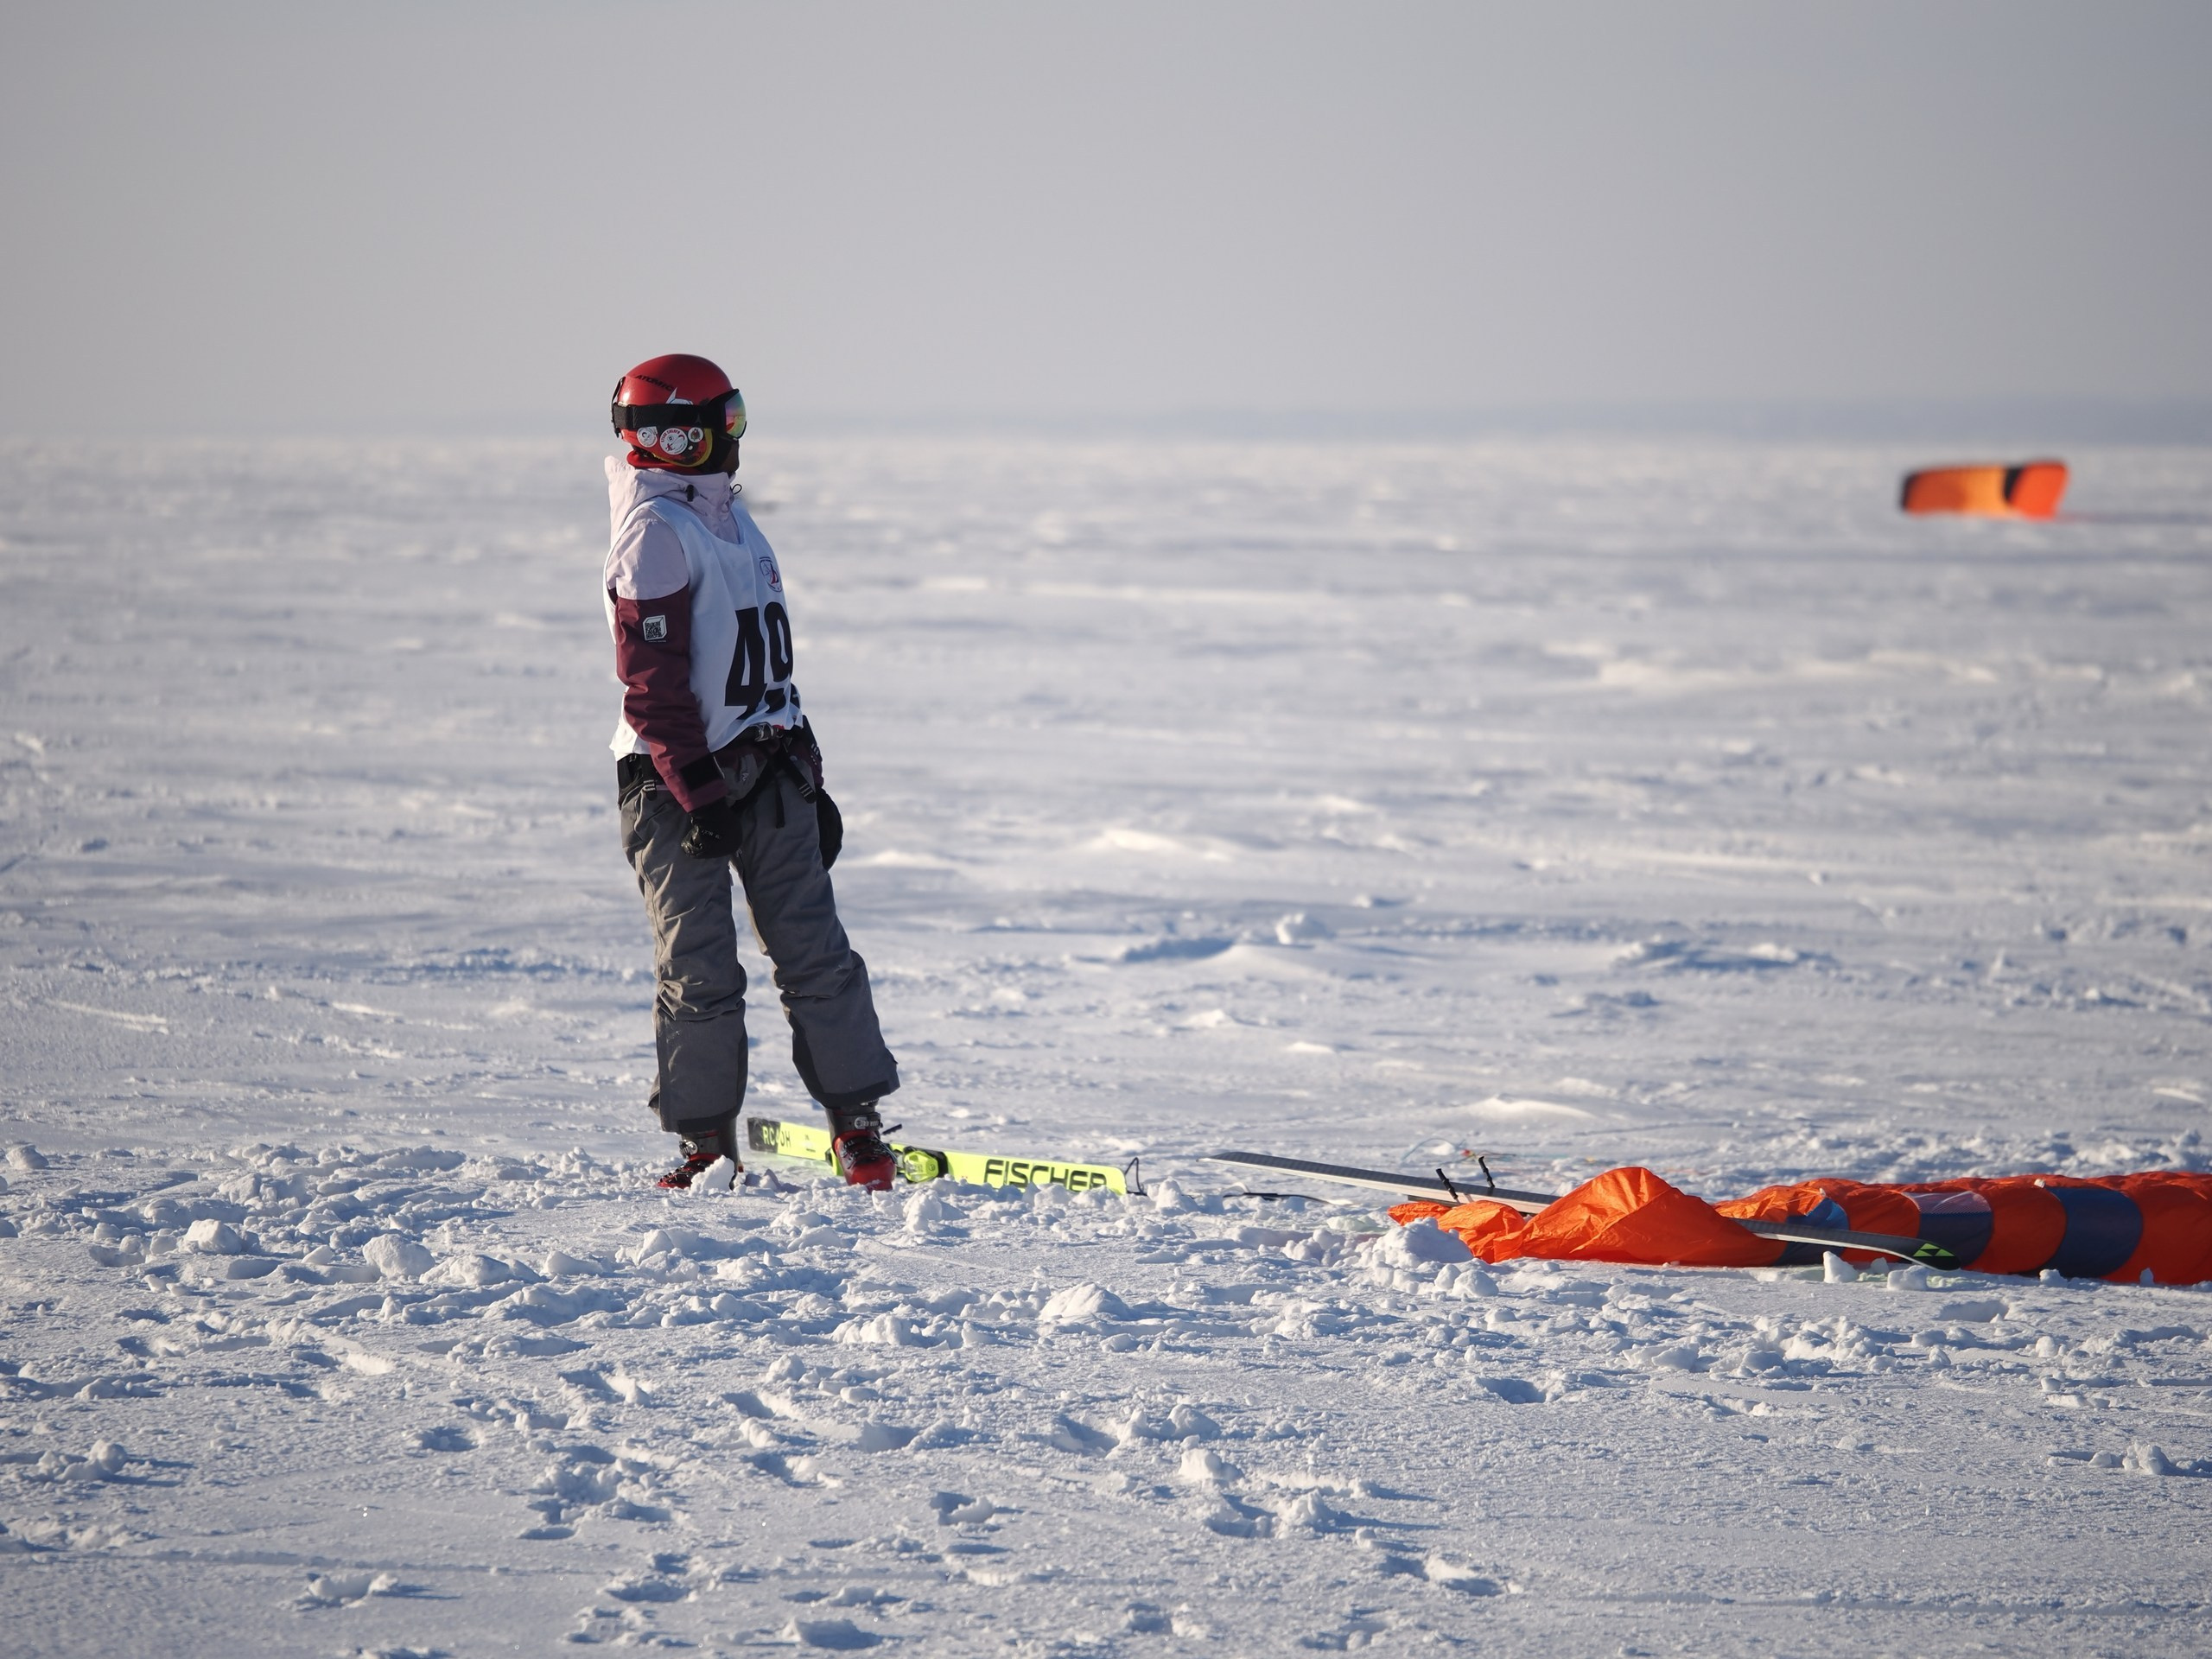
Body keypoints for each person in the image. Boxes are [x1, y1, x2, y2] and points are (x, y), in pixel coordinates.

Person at [601, 353, 899, 1190]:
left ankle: (858, 1128)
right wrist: (698, 793)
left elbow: (764, 667)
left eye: (735, 419)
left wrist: (808, 770)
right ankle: (704, 1144)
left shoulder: (731, 518)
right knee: (700, 970)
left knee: (817, 954)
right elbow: (651, 689)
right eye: (716, 425)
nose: (733, 441)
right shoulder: (655, 535)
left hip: (770, 771)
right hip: (675, 785)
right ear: (670, 438)